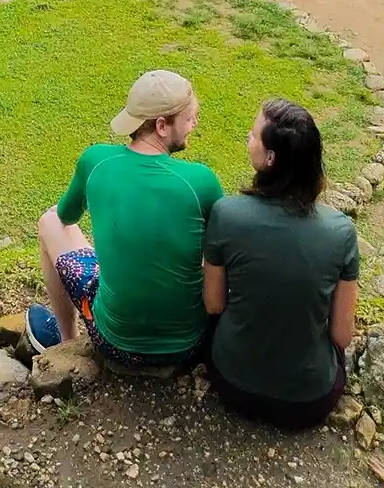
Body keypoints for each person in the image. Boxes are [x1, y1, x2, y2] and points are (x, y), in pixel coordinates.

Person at [26, 70, 223, 369]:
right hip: (188, 346)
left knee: (49, 222)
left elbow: (65, 216)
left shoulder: (95, 161)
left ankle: (67, 342)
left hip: (115, 343)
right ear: (161, 125)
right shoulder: (202, 181)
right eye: (189, 118)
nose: (194, 124)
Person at [202, 99, 359, 429]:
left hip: (232, 384)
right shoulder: (341, 231)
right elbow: (342, 335)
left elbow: (214, 305)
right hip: (308, 401)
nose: (248, 135)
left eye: (254, 134)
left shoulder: (226, 213)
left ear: (270, 158)